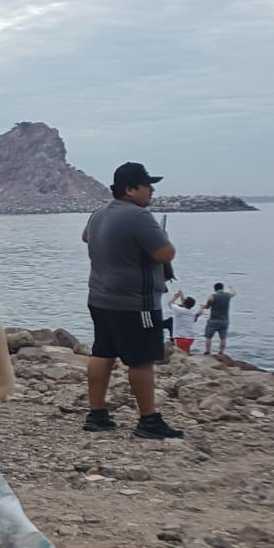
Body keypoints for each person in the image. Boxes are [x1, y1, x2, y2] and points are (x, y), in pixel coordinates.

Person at [80, 162, 184, 439]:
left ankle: (97, 414)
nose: (151, 190)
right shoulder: (139, 216)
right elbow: (165, 253)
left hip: (100, 297)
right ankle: (148, 421)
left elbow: (85, 237)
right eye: (147, 185)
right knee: (141, 360)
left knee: (102, 352)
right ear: (130, 190)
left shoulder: (99, 213)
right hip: (135, 303)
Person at [197, 282, 236, 355]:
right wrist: (231, 288)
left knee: (209, 337)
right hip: (225, 321)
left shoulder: (213, 296)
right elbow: (234, 293)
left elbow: (208, 306)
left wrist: (203, 306)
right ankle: (221, 352)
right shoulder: (227, 295)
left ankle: (208, 351)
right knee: (223, 338)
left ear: (215, 289)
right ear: (222, 288)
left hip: (213, 320)